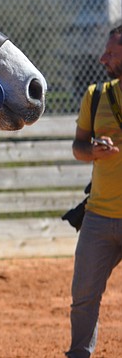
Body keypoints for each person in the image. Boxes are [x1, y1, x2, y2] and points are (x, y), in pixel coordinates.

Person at [68, 25, 122, 358]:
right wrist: (93, 151)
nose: (103, 58)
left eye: (111, 52)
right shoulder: (96, 94)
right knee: (84, 295)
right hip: (99, 216)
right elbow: (78, 146)